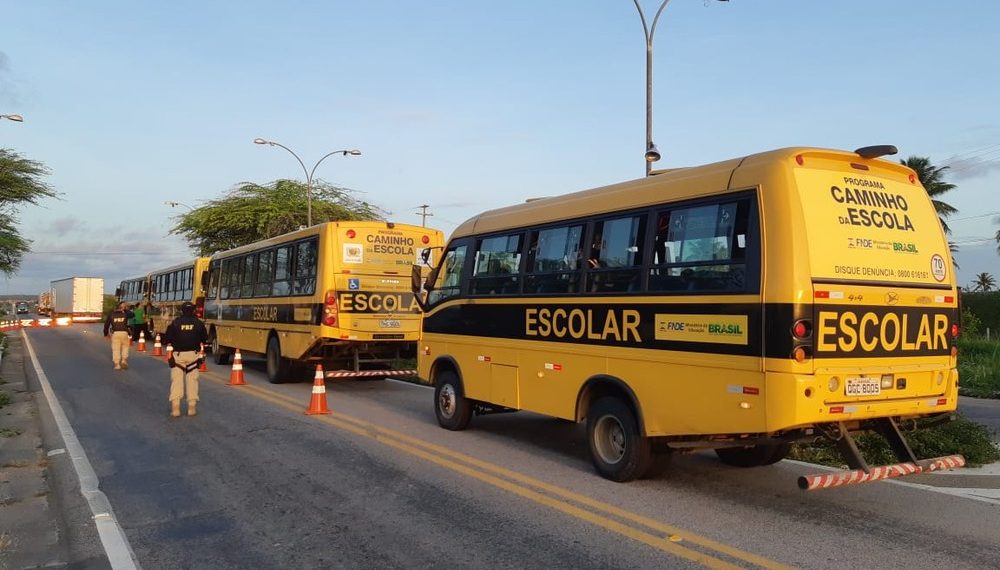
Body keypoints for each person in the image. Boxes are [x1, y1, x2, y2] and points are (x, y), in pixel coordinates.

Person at [162, 301, 208, 418]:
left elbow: (166, 339)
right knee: (192, 381)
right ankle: (191, 407)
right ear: (193, 310)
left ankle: (176, 408)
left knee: (176, 381)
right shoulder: (198, 323)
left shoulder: (175, 323)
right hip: (193, 355)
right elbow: (205, 338)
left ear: (181, 310)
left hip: (178, 356)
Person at [103, 302, 134, 370]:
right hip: (124, 333)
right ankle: (124, 360)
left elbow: (106, 325)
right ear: (121, 308)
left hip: (115, 333)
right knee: (125, 347)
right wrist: (125, 309)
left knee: (116, 349)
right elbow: (132, 314)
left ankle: (117, 364)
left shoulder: (111, 315)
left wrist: (106, 334)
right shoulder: (125, 314)